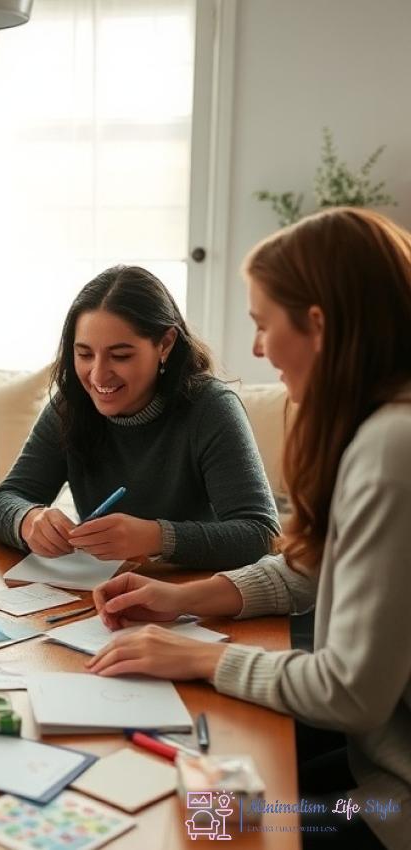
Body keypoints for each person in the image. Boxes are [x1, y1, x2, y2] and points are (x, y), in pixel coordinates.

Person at [88, 208, 411, 850]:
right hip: (373, 758)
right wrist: (184, 597)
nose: (259, 349)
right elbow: (308, 566)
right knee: (198, 776)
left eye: (264, 325)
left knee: (194, 826)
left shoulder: (391, 448)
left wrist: (202, 655)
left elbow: (348, 692)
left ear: (318, 325)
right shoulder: (382, 424)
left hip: (385, 804)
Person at [0, 265, 278, 569]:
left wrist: (156, 537)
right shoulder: (71, 405)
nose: (98, 375)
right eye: (85, 354)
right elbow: (4, 501)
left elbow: (261, 534)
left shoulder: (211, 408)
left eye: (121, 356)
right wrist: (29, 520)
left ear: (165, 344)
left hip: (193, 593)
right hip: (98, 593)